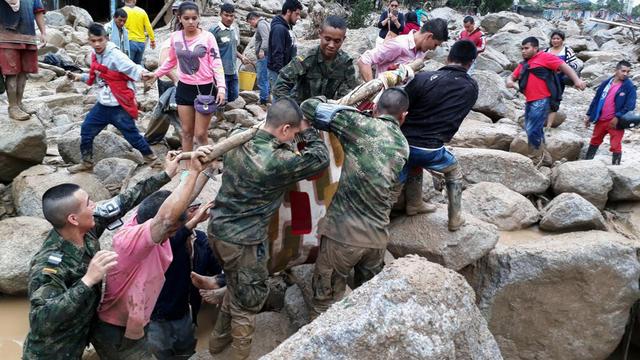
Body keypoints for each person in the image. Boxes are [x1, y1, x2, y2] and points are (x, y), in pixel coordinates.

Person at [22, 155, 180, 359]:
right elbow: (40, 320)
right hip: (51, 352)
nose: (95, 206)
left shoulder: (87, 228)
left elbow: (123, 201)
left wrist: (165, 175)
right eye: (88, 204)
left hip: (82, 334)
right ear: (73, 219)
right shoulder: (49, 265)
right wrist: (88, 280)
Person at [207, 98, 329, 359]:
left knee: (235, 285)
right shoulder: (277, 160)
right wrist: (307, 129)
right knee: (248, 302)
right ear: (285, 129)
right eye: (293, 134)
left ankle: (215, 344)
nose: (293, 139)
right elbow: (320, 158)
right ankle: (238, 354)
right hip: (244, 242)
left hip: (217, 230)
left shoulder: (238, 138)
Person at [91, 148, 210, 359]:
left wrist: (205, 171)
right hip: (118, 326)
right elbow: (166, 218)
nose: (173, 234)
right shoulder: (131, 240)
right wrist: (191, 172)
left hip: (142, 316)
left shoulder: (146, 219)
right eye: (172, 230)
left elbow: (173, 206)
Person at [300, 88, 410, 317]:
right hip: (377, 240)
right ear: (403, 116)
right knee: (368, 302)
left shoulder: (359, 125)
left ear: (375, 109)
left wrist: (325, 99)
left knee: (324, 303)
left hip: (343, 237)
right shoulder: (403, 145)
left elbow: (308, 106)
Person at [400, 40, 479, 231]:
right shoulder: (471, 87)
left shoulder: (423, 78)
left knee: (411, 164)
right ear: (470, 63)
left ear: (448, 57)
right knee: (453, 170)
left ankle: (413, 203)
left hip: (401, 145)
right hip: (431, 149)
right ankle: (455, 218)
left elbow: (401, 105)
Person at [66, 23, 159, 174]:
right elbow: (97, 78)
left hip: (119, 105)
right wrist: (78, 77)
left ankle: (154, 161)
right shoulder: (95, 55)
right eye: (93, 41)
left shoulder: (115, 55)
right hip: (103, 105)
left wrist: (144, 74)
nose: (97, 44)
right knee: (86, 130)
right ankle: (87, 162)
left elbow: (131, 67)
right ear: (89, 41)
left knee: (133, 136)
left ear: (106, 39)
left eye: (100, 40)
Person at [147, 201, 223, 359]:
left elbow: (217, 268)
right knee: (162, 352)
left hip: (186, 310)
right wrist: (193, 222)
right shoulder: (161, 241)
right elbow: (173, 243)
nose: (196, 211)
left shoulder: (201, 240)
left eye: (196, 207)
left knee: (187, 350)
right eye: (190, 209)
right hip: (157, 315)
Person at [152, 1, 226, 158]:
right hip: (184, 88)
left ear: (199, 18)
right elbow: (170, 61)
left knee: (200, 134)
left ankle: (208, 164)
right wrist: (155, 75)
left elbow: (216, 62)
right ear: (179, 18)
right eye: (187, 18)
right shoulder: (175, 37)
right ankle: (186, 166)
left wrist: (221, 87)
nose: (191, 22)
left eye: (194, 18)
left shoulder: (208, 37)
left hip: (205, 89)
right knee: (186, 132)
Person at [506, 37, 585, 165]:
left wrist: (577, 80)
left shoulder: (545, 57)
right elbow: (513, 76)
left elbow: (565, 67)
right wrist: (509, 81)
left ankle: (535, 158)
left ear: (535, 48)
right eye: (522, 49)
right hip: (530, 101)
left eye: (526, 48)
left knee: (532, 129)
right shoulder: (524, 64)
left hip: (542, 100)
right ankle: (545, 157)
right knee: (534, 129)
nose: (523, 51)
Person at [273, 16, 359, 103]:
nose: (331, 45)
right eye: (327, 39)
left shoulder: (345, 63)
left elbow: (349, 94)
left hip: (327, 110)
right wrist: (292, 108)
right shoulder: (306, 59)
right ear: (320, 34)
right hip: (301, 110)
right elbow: (280, 85)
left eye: (337, 41)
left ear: (343, 39)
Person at [358, 18, 448, 82]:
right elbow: (364, 60)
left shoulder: (421, 52)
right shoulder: (399, 45)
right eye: (435, 44)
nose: (433, 49)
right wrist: (372, 90)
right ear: (429, 36)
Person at [0, 0, 46, 120]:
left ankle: (19, 103)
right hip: (6, 38)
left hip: (28, 38)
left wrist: (43, 33)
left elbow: (38, 12)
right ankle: (13, 107)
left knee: (23, 73)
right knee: (11, 73)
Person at [584, 60, 636, 165]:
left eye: (628, 72)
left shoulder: (629, 86)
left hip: (616, 122)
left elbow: (630, 105)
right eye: (623, 71)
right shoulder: (606, 83)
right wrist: (589, 115)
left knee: (615, 145)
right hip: (601, 119)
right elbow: (596, 99)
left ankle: (616, 168)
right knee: (594, 140)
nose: (625, 74)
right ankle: (586, 164)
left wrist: (617, 116)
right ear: (616, 70)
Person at [210, 3, 249, 103]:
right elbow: (208, 51)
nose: (229, 18)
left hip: (232, 70)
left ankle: (226, 115)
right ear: (220, 14)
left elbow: (232, 48)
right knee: (222, 99)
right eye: (226, 15)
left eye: (231, 16)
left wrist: (241, 57)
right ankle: (220, 117)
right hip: (220, 72)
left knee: (234, 96)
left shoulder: (233, 29)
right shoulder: (214, 31)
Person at [544, 30, 580, 127]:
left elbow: (575, 64)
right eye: (553, 39)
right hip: (547, 79)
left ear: (562, 40)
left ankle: (549, 125)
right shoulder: (546, 51)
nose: (555, 41)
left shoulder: (567, 51)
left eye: (558, 39)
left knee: (555, 100)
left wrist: (564, 68)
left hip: (559, 80)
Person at [267, 0, 302, 89]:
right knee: (280, 100)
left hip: (285, 72)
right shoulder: (279, 29)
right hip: (278, 73)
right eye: (296, 14)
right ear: (288, 12)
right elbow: (277, 53)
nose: (298, 17)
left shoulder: (288, 27)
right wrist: (282, 75)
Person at [247, 12, 270, 105]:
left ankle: (263, 99)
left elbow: (266, 38)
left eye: (250, 22)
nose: (251, 25)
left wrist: (262, 50)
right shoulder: (265, 23)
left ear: (253, 19)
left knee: (262, 77)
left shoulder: (261, 24)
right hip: (267, 55)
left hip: (264, 56)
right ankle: (266, 96)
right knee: (266, 77)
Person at [123, 0, 155, 65]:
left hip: (129, 42)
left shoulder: (122, 12)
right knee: (138, 66)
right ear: (135, 1)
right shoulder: (142, 11)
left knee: (128, 65)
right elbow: (148, 27)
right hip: (141, 44)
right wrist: (152, 40)